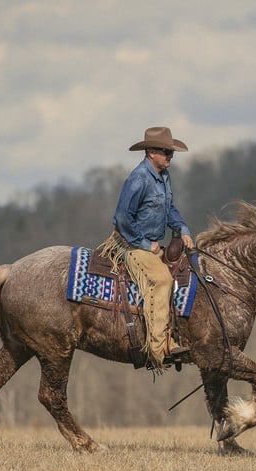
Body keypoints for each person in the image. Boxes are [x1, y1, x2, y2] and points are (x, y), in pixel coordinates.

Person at [99, 126, 195, 371]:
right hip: (131, 244)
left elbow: (169, 208)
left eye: (171, 153)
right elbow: (122, 218)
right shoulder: (139, 178)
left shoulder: (163, 176)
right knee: (161, 280)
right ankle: (158, 347)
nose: (170, 157)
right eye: (166, 152)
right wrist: (144, 243)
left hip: (150, 243)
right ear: (151, 152)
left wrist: (182, 228)